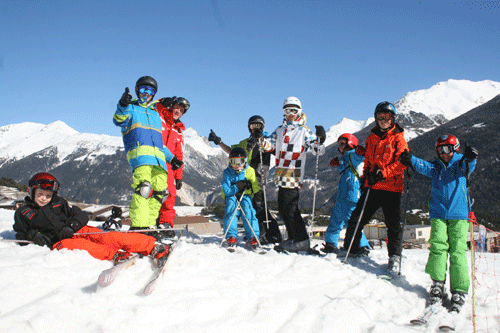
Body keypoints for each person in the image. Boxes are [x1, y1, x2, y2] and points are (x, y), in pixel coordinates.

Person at [13, 173, 169, 264]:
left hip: (78, 229)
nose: (44, 198)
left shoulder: (59, 203)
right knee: (80, 245)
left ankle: (152, 246)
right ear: (30, 191)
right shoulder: (24, 212)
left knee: (109, 237)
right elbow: (21, 234)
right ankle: (116, 256)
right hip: (58, 240)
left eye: (48, 195)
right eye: (40, 194)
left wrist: (71, 226)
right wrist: (34, 235)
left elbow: (80, 215)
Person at [399, 135, 478, 313]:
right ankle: (437, 284)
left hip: (459, 214)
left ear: (455, 149)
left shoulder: (461, 164)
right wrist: (410, 160)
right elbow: (423, 166)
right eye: (440, 150)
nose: (444, 154)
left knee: (457, 250)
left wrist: (471, 157)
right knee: (438, 247)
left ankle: (459, 290)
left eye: (447, 149)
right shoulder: (435, 167)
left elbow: (470, 165)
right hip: (438, 214)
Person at [342, 101, 408, 271]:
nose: (384, 120)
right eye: (380, 117)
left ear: (393, 118)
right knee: (357, 218)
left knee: (393, 224)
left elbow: (402, 163)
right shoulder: (371, 138)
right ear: (376, 118)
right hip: (372, 187)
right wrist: (366, 178)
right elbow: (368, 162)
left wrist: (382, 173)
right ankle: (351, 248)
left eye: (387, 117)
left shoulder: (398, 138)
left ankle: (394, 257)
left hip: (391, 189)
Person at [113, 76, 183, 234]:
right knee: (144, 189)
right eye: (143, 90)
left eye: (150, 91)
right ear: (137, 90)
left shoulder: (155, 115)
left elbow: (158, 143)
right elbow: (119, 120)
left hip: (159, 162)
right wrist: (123, 104)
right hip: (141, 159)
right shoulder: (131, 108)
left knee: (161, 193)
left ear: (154, 93)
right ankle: (139, 225)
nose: (146, 93)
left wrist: (172, 158)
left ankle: (150, 224)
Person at [208, 116, 282, 244]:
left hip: (257, 178)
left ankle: (269, 234)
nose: (255, 129)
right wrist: (218, 142)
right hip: (243, 178)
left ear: (263, 127)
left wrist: (261, 141)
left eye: (258, 126)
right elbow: (232, 152)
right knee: (250, 208)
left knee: (259, 207)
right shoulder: (245, 142)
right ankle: (256, 234)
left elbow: (277, 151)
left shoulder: (267, 141)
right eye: (252, 126)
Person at [268, 96, 326, 253]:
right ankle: (294, 237)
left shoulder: (304, 131)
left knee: (290, 207)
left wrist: (320, 141)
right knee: (282, 207)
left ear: (299, 111)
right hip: (281, 173)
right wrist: (260, 138)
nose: (290, 114)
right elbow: (268, 144)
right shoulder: (279, 130)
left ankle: (302, 240)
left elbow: (317, 150)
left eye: (293, 110)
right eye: (287, 111)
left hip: (293, 172)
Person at [321, 133, 370, 255]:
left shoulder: (354, 155)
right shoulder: (346, 158)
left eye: (343, 143)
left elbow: (360, 158)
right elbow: (345, 166)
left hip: (352, 195)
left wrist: (360, 152)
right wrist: (338, 164)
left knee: (351, 221)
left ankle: (362, 246)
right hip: (342, 196)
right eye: (339, 144)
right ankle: (330, 244)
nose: (341, 146)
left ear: (351, 143)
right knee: (336, 220)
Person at [157, 97, 189, 234]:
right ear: (171, 106)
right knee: (151, 193)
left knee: (170, 195)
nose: (178, 112)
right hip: (154, 160)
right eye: (177, 107)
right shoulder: (160, 116)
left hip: (169, 166)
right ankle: (147, 222)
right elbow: (150, 108)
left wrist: (178, 177)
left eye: (182, 111)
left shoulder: (179, 130)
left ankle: (165, 224)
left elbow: (179, 155)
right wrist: (161, 102)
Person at [221, 147, 261, 250]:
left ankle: (252, 236)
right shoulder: (227, 172)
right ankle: (231, 235)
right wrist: (237, 187)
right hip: (232, 195)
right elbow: (226, 190)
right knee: (231, 208)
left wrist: (250, 185)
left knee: (248, 210)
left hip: (245, 194)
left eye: (240, 161)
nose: (237, 165)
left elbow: (255, 187)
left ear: (245, 161)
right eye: (234, 162)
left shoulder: (249, 171)